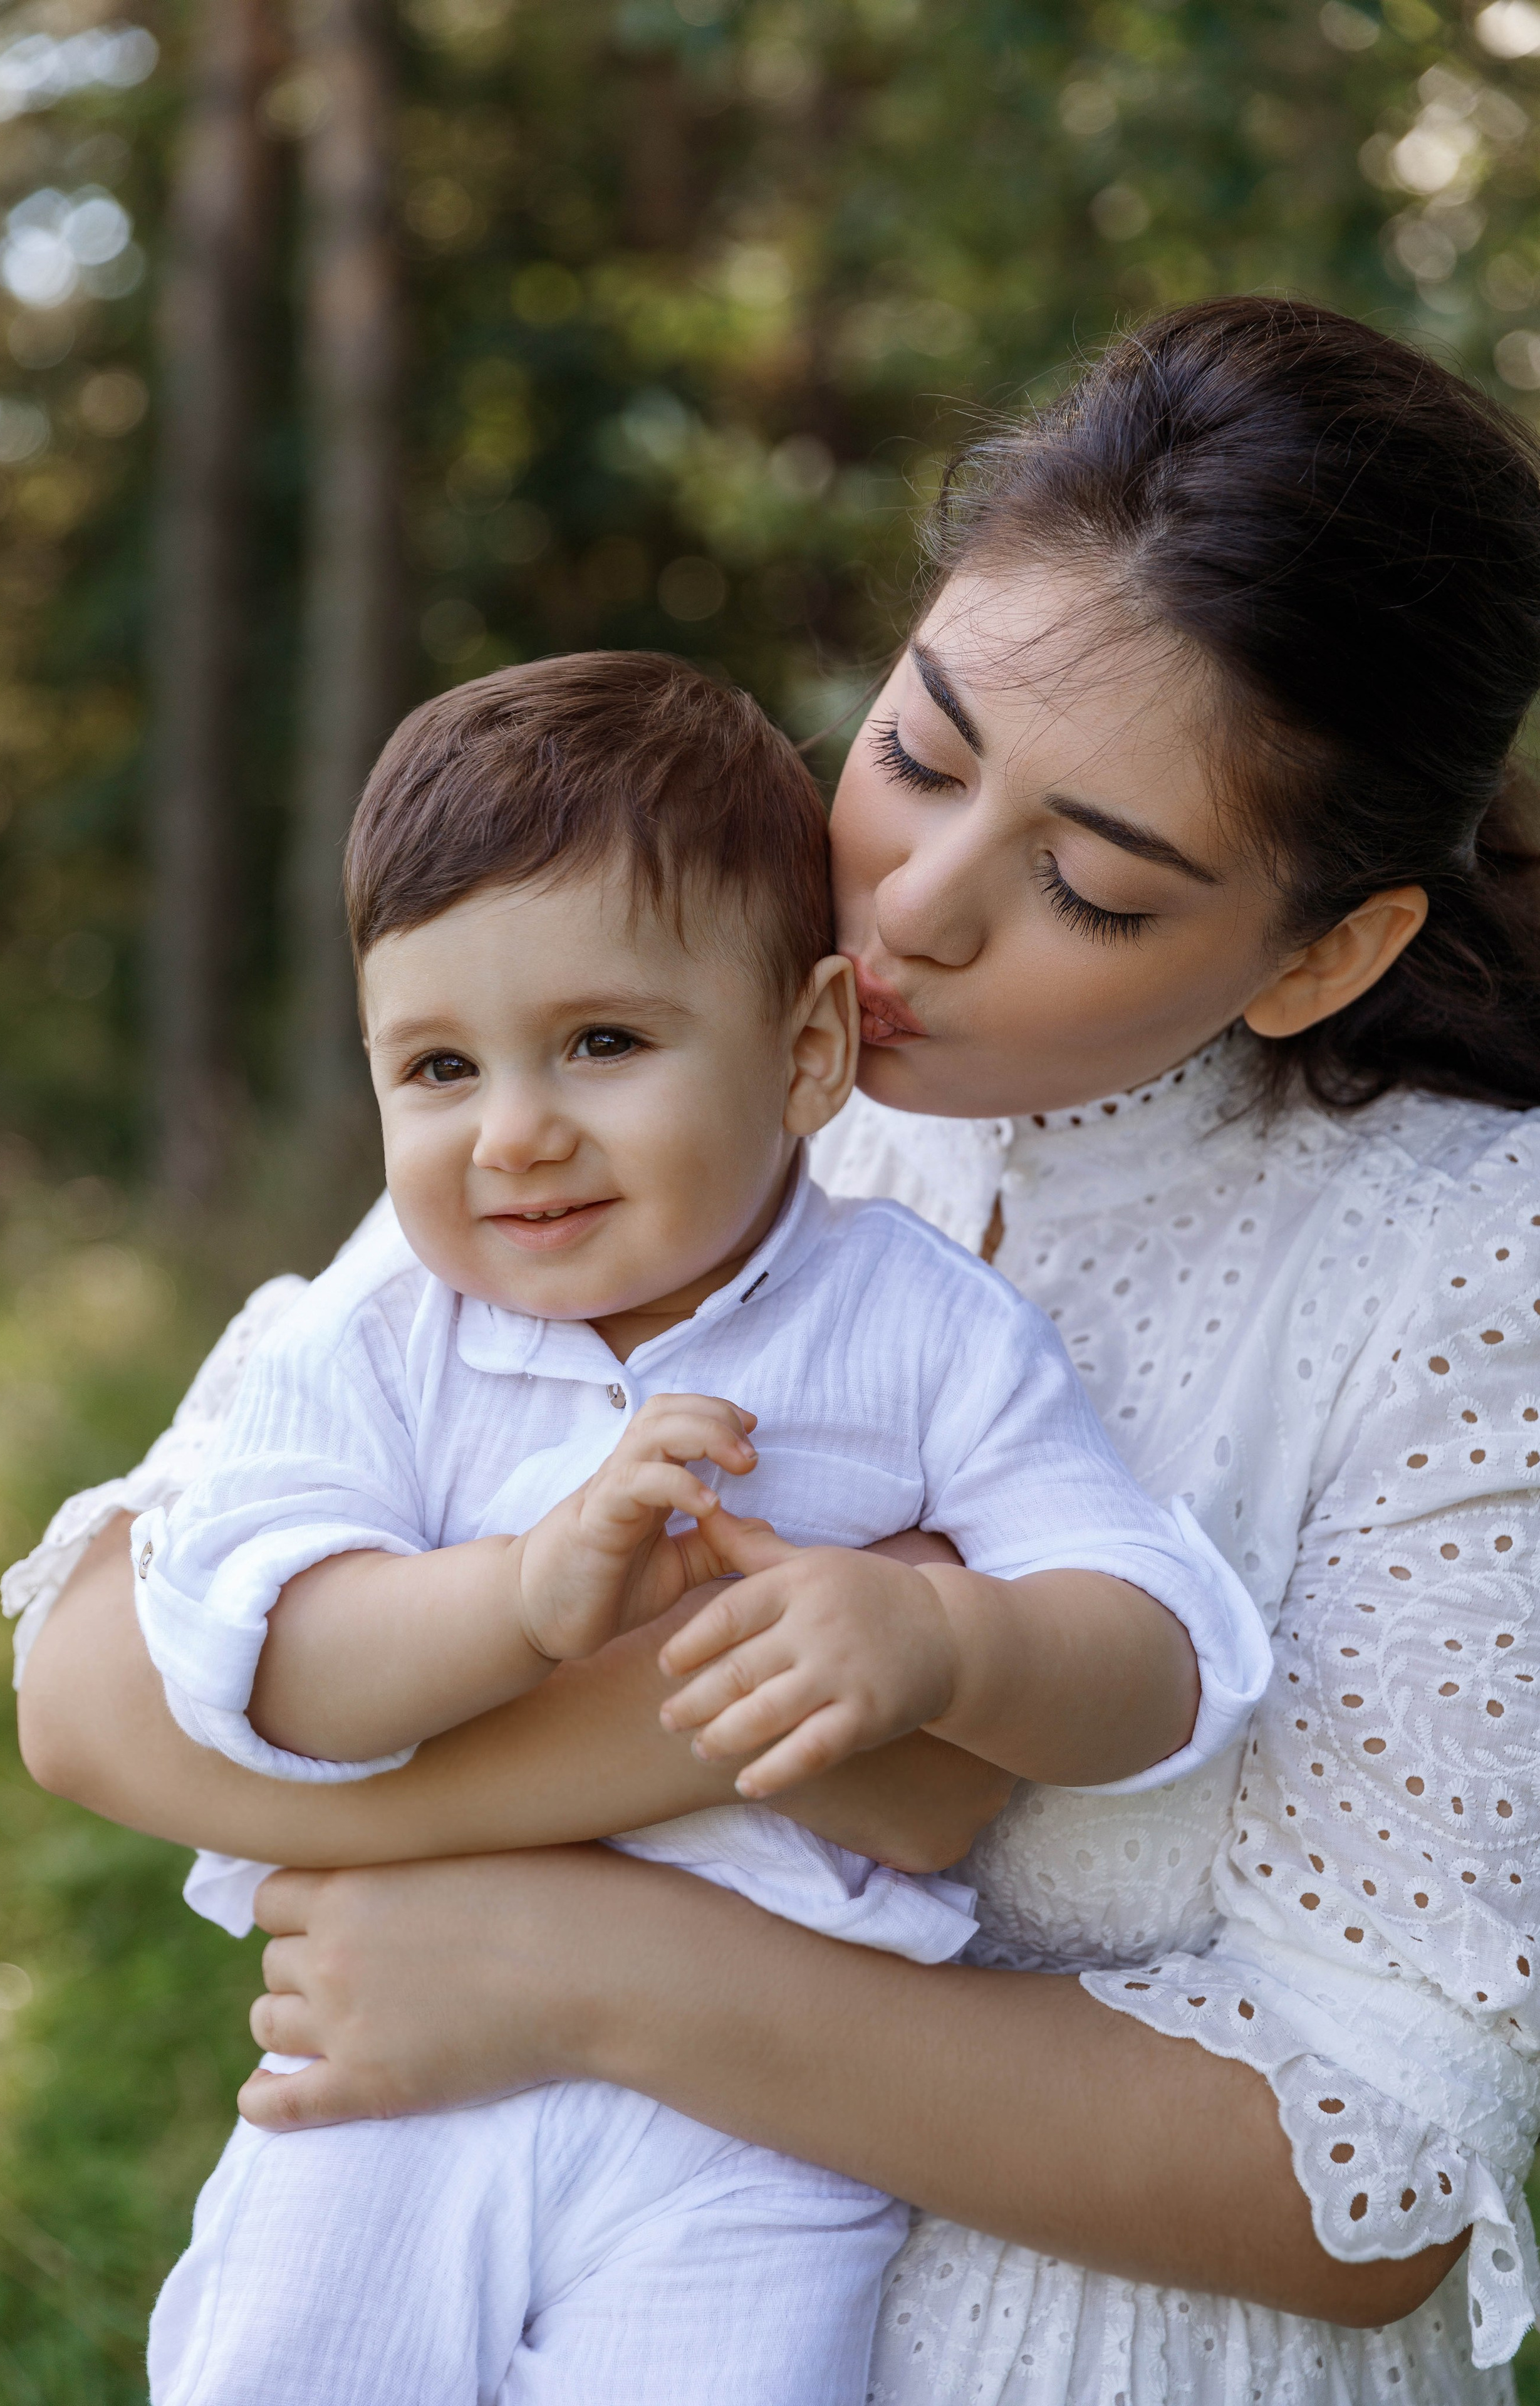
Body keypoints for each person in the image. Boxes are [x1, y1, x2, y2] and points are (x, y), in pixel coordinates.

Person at [12, 296, 1540, 2405]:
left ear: (1331, 947)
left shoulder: (1467, 1267)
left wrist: (593, 1961)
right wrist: (772, 1731)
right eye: (915, 751)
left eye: (1089, 886)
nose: (908, 906)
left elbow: (1367, 2176)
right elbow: (97, 1687)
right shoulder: (663, 1059)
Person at [129, 650, 1264, 2406]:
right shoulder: (366, 1343)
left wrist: (954, 1644)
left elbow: (1162, 1651)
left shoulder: (917, 1325)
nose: (516, 1133)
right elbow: (265, 1661)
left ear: (806, 1048)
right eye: (436, 1067)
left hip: (759, 2127)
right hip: (394, 2079)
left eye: (602, 1042)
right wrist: (519, 1595)